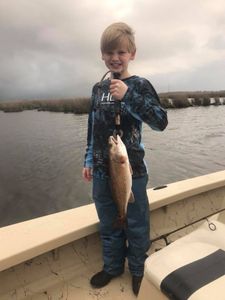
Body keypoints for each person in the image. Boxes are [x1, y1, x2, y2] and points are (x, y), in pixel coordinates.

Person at [82, 22, 168, 296]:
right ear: (102, 55)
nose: (115, 58)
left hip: (133, 171)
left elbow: (160, 122)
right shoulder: (98, 89)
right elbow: (93, 128)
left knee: (136, 223)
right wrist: (87, 159)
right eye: (109, 52)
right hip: (101, 170)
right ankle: (112, 266)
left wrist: (129, 96)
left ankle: (139, 269)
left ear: (132, 53)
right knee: (109, 223)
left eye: (120, 51)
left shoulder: (140, 85)